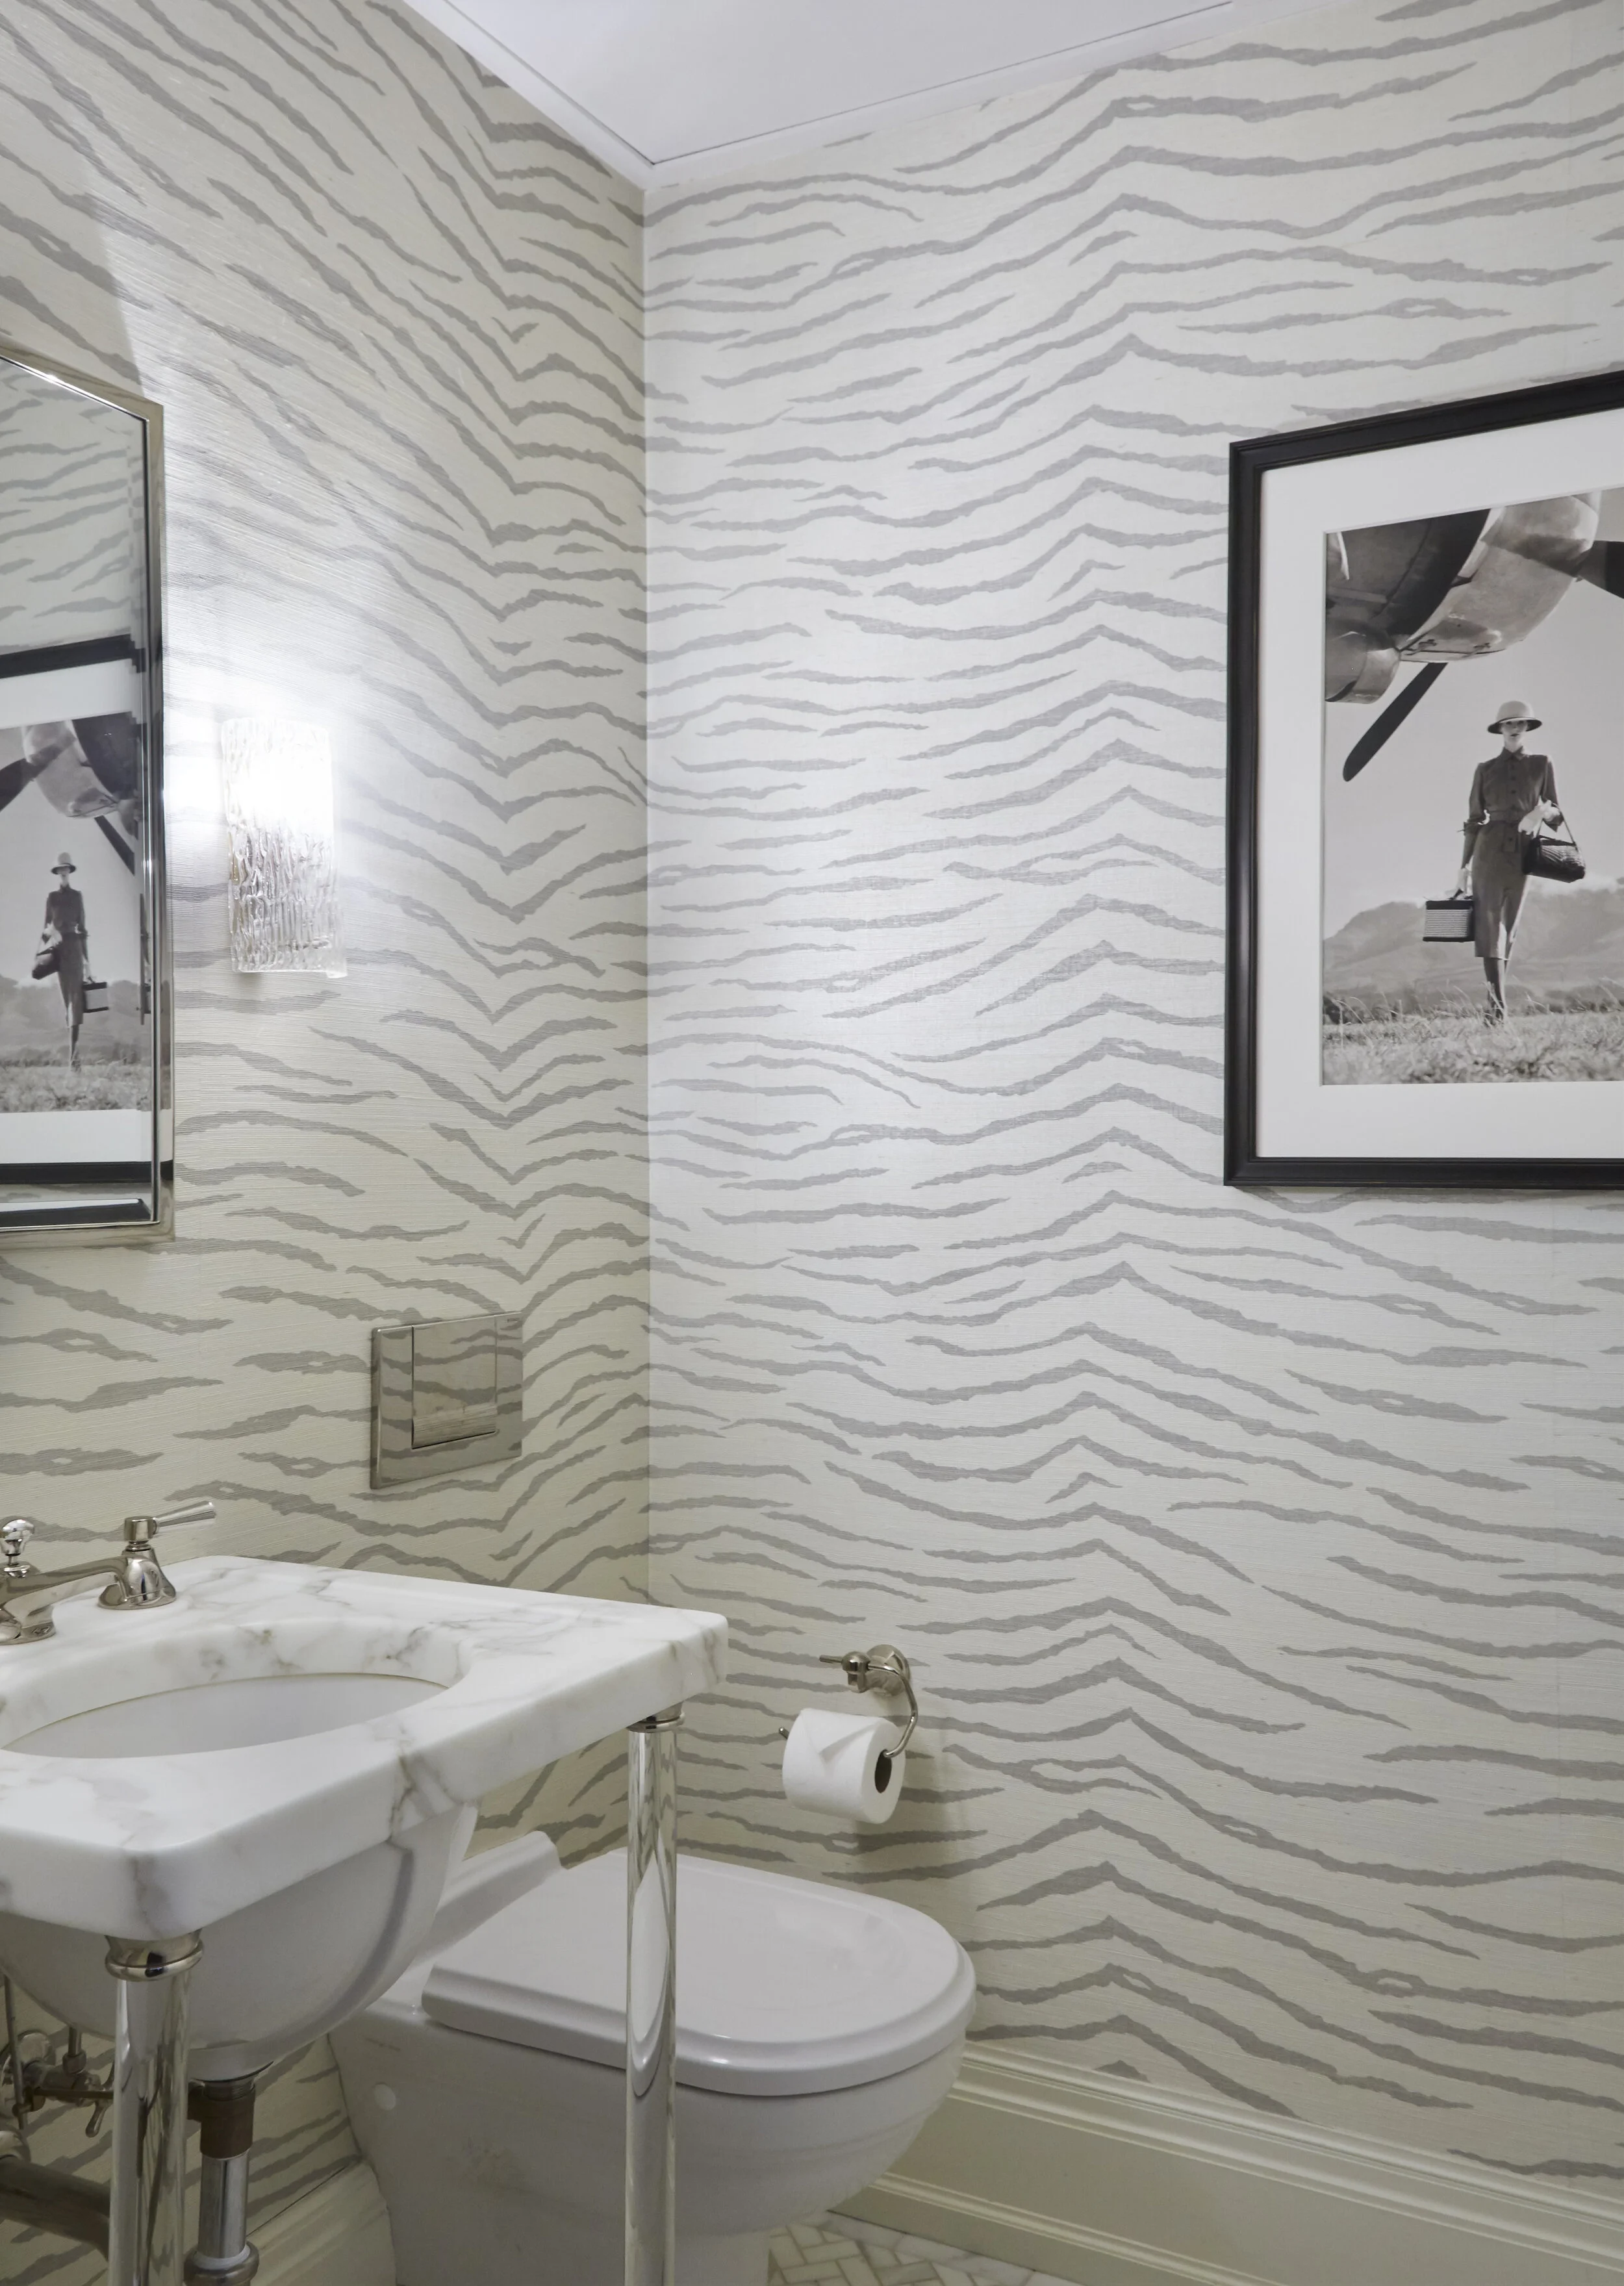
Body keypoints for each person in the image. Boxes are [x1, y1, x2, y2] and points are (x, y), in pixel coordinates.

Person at [1457, 700, 1561, 1022]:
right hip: (1488, 850)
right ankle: (1496, 1006)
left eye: (1521, 723)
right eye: (1509, 723)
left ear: (1528, 727)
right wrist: (1463, 866)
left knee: (1510, 925)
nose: (1515, 728)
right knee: (1488, 924)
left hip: (1525, 850)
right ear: (1500, 729)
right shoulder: (1484, 769)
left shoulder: (1543, 763)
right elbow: (1474, 819)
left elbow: (1557, 815)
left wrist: (1539, 814)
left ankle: (1496, 1004)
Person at [42, 852, 89, 1068]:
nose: (63, 872)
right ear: (57, 872)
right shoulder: (52, 897)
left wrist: (87, 961)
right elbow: (46, 927)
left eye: (66, 869)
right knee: (66, 1001)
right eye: (60, 869)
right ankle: (73, 1054)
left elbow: (83, 928)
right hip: (59, 950)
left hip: (76, 948)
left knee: (76, 1000)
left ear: (70, 871)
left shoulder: (77, 896)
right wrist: (45, 951)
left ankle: (74, 1056)